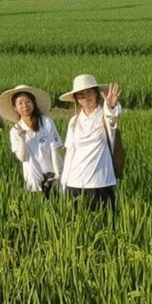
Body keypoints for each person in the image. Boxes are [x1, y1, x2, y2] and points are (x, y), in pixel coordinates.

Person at [60, 74, 122, 211]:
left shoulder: (104, 116)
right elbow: (70, 152)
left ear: (96, 94)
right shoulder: (74, 121)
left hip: (100, 182)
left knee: (104, 220)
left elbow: (113, 118)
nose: (86, 97)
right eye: (80, 95)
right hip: (75, 182)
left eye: (89, 92)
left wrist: (111, 106)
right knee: (77, 221)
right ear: (77, 100)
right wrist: (64, 182)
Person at [0, 85, 63, 197]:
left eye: (28, 102)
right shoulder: (15, 130)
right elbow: (22, 158)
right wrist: (22, 139)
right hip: (32, 175)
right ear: (15, 108)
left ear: (33, 103)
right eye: (20, 103)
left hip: (52, 174)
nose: (25, 106)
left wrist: (58, 173)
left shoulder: (46, 122)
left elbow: (54, 149)